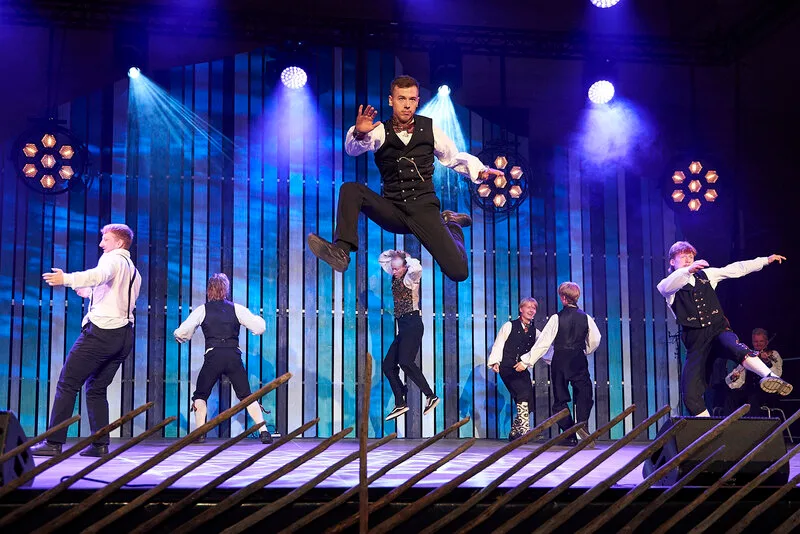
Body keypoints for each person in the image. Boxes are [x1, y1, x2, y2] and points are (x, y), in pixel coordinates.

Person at [306, 75, 504, 283]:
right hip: (394, 210)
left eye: (412, 99)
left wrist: (481, 170)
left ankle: (451, 223)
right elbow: (352, 150)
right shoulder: (379, 131)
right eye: (402, 99)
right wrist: (358, 134)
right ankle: (341, 251)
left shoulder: (430, 129)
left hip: (424, 210)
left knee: (458, 273)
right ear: (391, 100)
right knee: (351, 189)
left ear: (417, 101)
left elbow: (453, 157)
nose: (407, 105)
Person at [32, 224, 141, 457]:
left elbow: (98, 275)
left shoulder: (112, 260)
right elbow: (117, 296)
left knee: (68, 382)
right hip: (124, 336)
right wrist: (89, 293)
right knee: (96, 389)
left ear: (119, 243)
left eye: (106, 239)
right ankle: (100, 443)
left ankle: (53, 442)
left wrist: (66, 278)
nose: (102, 244)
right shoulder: (133, 270)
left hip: (101, 333)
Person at [656, 241, 791, 417]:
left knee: (735, 346)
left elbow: (737, 268)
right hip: (696, 341)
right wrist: (687, 270)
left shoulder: (708, 275)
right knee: (690, 394)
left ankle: (769, 375)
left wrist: (765, 260)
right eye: (683, 256)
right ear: (672, 262)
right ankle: (708, 431)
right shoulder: (668, 286)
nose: (688, 259)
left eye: (691, 256)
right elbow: (666, 286)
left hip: (718, 329)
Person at [173, 273, 272, 444]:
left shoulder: (203, 310)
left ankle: (200, 432)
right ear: (226, 289)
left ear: (209, 290)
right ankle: (264, 431)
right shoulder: (236, 308)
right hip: (233, 356)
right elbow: (259, 327)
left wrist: (179, 337)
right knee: (246, 395)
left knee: (201, 394)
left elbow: (182, 332)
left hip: (214, 356)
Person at [517, 282, 602, 446]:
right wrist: (585, 350)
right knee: (584, 393)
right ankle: (581, 423)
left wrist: (526, 361)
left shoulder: (556, 318)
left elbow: (543, 343)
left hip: (560, 360)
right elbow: (595, 339)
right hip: (578, 358)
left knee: (560, 400)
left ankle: (570, 432)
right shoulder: (586, 318)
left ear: (563, 298)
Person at [378, 249, 439, 420]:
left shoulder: (411, 278)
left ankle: (430, 395)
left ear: (405, 268)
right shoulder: (396, 273)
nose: (394, 272)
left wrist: (408, 258)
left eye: (397, 269)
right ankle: (400, 401)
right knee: (388, 366)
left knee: (405, 361)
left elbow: (417, 268)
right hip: (404, 327)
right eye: (393, 269)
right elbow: (382, 259)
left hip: (413, 324)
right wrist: (395, 252)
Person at [488, 298, 552, 440]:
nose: (531, 310)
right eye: (528, 307)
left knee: (528, 400)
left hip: (522, 368)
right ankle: (525, 431)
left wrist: (555, 360)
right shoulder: (509, 326)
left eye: (534, 308)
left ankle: (514, 432)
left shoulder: (534, 331)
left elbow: (544, 348)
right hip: (507, 367)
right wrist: (495, 361)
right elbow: (499, 344)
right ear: (521, 309)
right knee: (522, 394)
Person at [725, 328, 783, 413]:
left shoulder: (773, 354)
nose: (758, 344)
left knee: (753, 398)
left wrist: (767, 363)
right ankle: (728, 423)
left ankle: (753, 425)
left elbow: (778, 374)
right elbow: (733, 376)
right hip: (749, 390)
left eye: (761, 341)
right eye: (756, 342)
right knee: (731, 397)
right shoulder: (749, 356)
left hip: (767, 390)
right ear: (752, 342)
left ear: (766, 342)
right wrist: (734, 377)